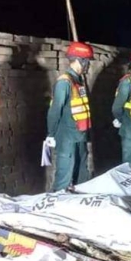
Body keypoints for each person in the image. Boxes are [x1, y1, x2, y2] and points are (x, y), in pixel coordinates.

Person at [45, 42, 93, 191]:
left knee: (82, 175)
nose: (88, 65)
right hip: (67, 137)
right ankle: (56, 206)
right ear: (80, 61)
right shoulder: (64, 82)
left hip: (80, 134)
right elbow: (55, 111)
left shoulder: (78, 81)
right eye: (87, 61)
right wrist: (51, 134)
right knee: (64, 177)